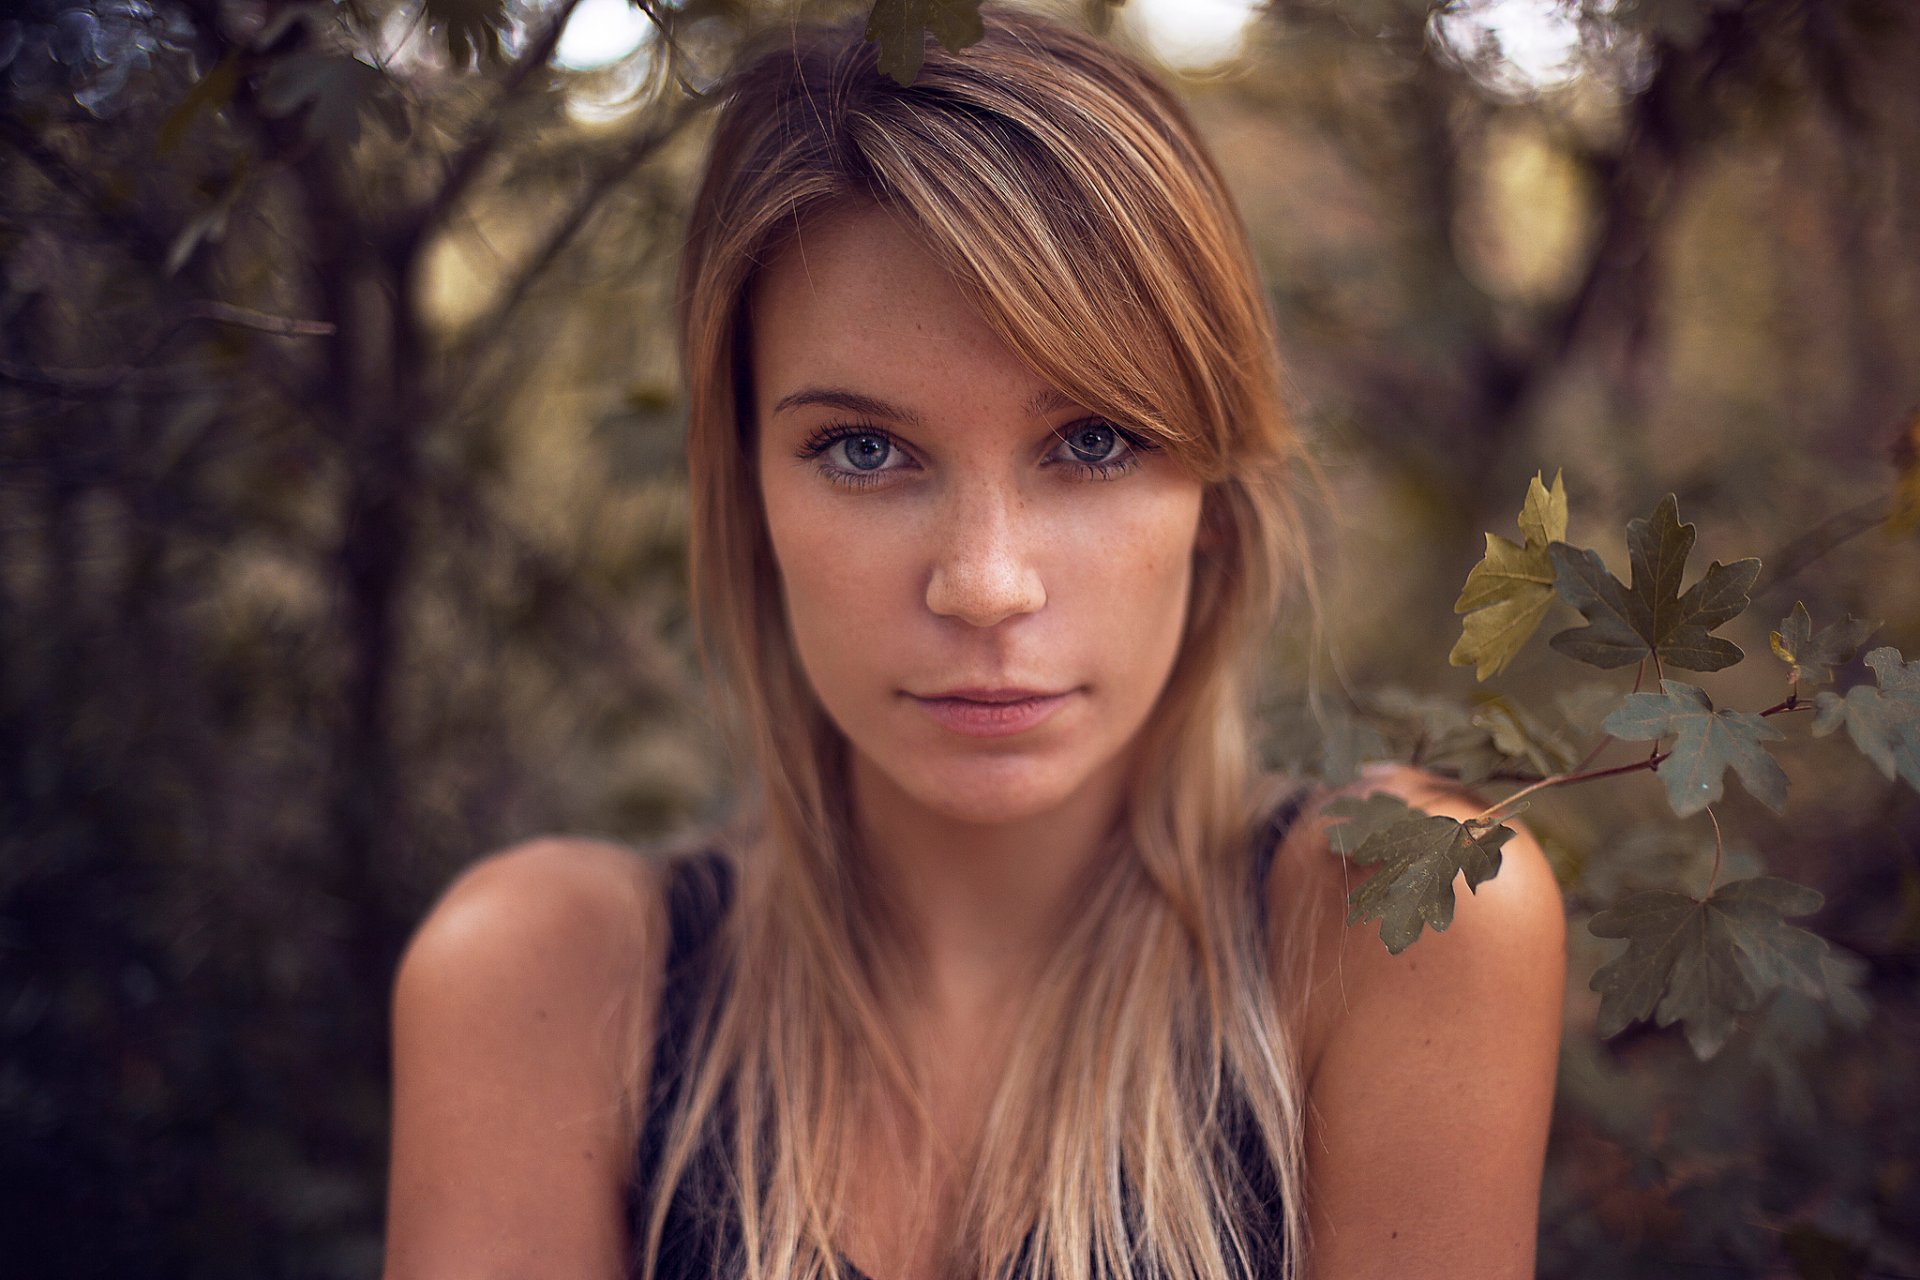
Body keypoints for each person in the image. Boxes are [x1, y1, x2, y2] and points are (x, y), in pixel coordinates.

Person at [380, 8, 1566, 1280]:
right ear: (747, 490)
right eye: (864, 449)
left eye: (1095, 440)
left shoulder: (1404, 923)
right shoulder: (544, 981)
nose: (986, 584)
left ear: (1213, 492)